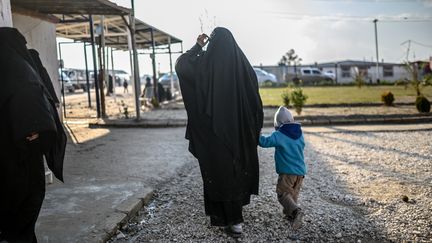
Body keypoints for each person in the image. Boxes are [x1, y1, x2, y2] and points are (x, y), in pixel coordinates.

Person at [175, 27, 263, 237]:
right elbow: (255, 103)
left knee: (218, 173)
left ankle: (228, 219)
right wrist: (252, 130)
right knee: (236, 171)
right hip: (239, 135)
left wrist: (197, 47)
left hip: (213, 136)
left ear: (212, 43)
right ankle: (236, 220)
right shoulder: (243, 65)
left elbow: (181, 66)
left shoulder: (204, 64)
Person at [0, 27, 67, 242]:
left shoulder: (8, 72)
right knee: (23, 216)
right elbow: (41, 128)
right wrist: (36, 137)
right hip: (22, 164)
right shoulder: (22, 74)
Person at [259, 106, 306, 230]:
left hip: (287, 172)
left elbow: (264, 142)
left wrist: (257, 134)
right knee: (293, 193)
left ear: (278, 123)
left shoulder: (279, 135)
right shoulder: (299, 134)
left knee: (282, 193)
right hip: (300, 172)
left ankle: (296, 211)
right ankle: (291, 215)